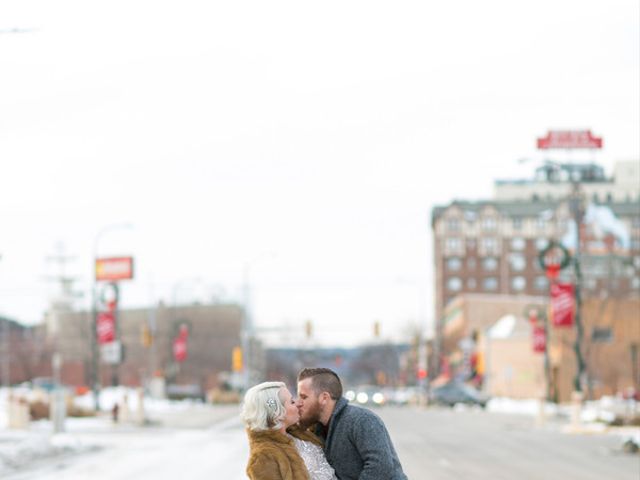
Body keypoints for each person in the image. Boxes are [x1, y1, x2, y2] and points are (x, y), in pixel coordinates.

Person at [297, 368, 408, 480]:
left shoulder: (361, 420)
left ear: (324, 398)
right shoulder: (317, 430)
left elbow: (380, 466)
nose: (298, 403)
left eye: (304, 397)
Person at [241, 381, 338, 480]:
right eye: (292, 402)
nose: (298, 404)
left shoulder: (297, 433)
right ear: (277, 412)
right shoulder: (263, 457)